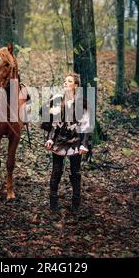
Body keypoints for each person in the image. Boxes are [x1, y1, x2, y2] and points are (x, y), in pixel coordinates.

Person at [43, 73, 92, 213]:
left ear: (75, 85)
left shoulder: (82, 103)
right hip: (60, 141)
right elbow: (55, 124)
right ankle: (53, 204)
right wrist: (50, 138)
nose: (65, 83)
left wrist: (84, 144)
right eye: (64, 81)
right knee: (56, 171)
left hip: (76, 141)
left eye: (69, 81)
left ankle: (76, 204)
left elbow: (87, 125)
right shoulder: (59, 101)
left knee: (75, 172)